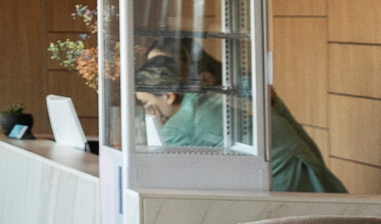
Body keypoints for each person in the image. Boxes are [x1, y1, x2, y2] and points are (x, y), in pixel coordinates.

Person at [139, 33, 344, 196]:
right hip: (300, 170)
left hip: (283, 180)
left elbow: (172, 179)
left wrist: (163, 130)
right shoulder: (218, 91)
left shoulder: (182, 123)